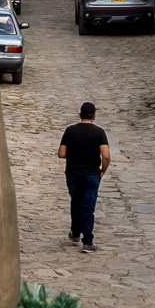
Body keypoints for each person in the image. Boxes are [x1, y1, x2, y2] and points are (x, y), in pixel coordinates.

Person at [57, 101, 110, 251]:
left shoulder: (70, 131)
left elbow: (61, 153)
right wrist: (103, 170)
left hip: (73, 173)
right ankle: (87, 240)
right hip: (91, 174)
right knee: (88, 206)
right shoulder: (99, 132)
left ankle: (75, 233)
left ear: (80, 114)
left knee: (76, 202)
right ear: (94, 115)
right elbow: (106, 156)